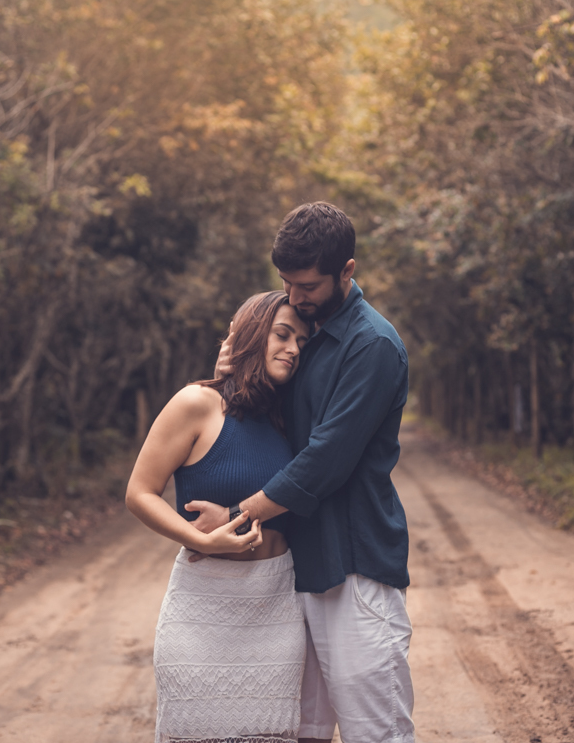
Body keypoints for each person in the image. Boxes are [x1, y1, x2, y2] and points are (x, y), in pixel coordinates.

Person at [193, 202, 415, 743]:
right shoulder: (305, 334)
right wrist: (231, 373)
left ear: (347, 271)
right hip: (297, 569)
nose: (294, 297)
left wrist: (240, 516)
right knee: (299, 731)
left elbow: (324, 461)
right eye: (286, 283)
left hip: (355, 568)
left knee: (375, 732)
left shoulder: (372, 345)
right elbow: (263, 432)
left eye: (308, 285)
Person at [125, 290, 312, 743]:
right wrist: (203, 541)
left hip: (275, 607)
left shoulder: (289, 419)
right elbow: (139, 492)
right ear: (250, 335)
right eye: (282, 335)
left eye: (302, 343)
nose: (292, 349)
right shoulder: (196, 403)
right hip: (200, 606)